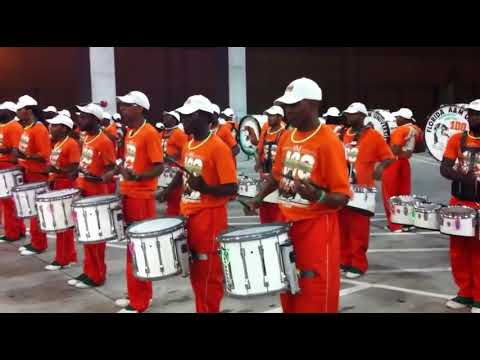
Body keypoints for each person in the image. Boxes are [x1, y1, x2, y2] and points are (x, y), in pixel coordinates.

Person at [249, 78, 352, 313]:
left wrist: (318, 196)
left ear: (313, 104)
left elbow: (342, 196)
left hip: (317, 228)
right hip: (286, 225)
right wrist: (257, 199)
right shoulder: (287, 136)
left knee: (316, 293)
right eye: (286, 105)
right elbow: (276, 176)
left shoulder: (328, 142)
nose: (287, 111)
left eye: (294, 105)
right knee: (290, 290)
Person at [174, 95, 237, 313]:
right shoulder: (189, 143)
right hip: (190, 215)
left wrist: (206, 188)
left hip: (209, 219)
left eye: (188, 116)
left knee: (209, 274)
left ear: (202, 117)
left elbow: (232, 188)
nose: (183, 119)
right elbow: (184, 173)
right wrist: (167, 191)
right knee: (196, 274)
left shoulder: (218, 147)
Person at [109, 91, 164, 313]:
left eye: (127, 106)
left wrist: (138, 177)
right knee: (132, 249)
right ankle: (137, 293)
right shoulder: (131, 132)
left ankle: (140, 301)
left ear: (140, 108)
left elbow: (158, 166)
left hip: (142, 197)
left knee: (139, 249)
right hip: (129, 193)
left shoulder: (149, 133)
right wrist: (121, 173)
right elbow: (131, 162)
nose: (122, 109)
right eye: (122, 105)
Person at [339, 102, 394, 279]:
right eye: (347, 113)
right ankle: (344, 260)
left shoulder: (373, 136)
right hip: (341, 188)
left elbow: (388, 157)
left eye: (353, 114)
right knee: (342, 227)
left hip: (362, 191)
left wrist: (379, 168)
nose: (349, 116)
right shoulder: (341, 134)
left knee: (358, 230)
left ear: (362, 116)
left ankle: (358, 264)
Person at [66, 103, 116, 289]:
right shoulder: (86, 137)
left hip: (95, 193)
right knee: (85, 235)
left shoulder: (104, 141)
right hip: (83, 189)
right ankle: (88, 270)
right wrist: (78, 170)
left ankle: (97, 275)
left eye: (85, 117)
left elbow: (110, 169)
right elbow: (86, 161)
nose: (80, 120)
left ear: (95, 119)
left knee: (95, 237)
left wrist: (97, 177)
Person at [440, 98, 480, 313]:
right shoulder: (457, 139)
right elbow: (444, 168)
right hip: (459, 202)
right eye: (471, 113)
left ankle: (479, 297)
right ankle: (465, 293)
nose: (473, 117)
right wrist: (461, 177)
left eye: (477, 114)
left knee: (478, 252)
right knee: (458, 251)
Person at [13, 95, 51, 256]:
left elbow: (44, 155)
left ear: (28, 110)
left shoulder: (39, 129)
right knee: (32, 210)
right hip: (29, 173)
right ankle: (35, 240)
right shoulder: (27, 128)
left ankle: (39, 244)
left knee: (37, 211)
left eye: (20, 109)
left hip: (38, 175)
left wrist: (24, 155)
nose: (17, 112)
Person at [44, 114, 81, 270]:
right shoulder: (58, 143)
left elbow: (74, 169)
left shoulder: (70, 144)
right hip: (59, 184)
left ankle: (62, 259)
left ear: (64, 128)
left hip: (67, 185)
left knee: (63, 224)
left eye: (54, 125)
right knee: (62, 225)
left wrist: (56, 170)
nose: (50, 127)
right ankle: (69, 257)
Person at [381, 107, 424, 232]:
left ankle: (394, 225)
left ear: (402, 118)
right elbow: (420, 148)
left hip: (393, 163)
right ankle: (407, 223)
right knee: (404, 194)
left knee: (390, 194)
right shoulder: (417, 129)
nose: (395, 119)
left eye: (397, 117)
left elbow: (394, 150)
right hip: (405, 162)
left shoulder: (399, 130)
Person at [255, 105, 287, 223]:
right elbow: (259, 149)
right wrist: (258, 161)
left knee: (277, 207)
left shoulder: (285, 133)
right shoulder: (265, 130)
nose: (269, 118)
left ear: (280, 117)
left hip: (277, 175)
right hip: (264, 173)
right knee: (265, 204)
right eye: (268, 115)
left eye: (272, 115)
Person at [0, 102, 25, 243]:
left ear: (9, 112)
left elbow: (16, 149)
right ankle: (16, 230)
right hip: (3, 167)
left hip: (9, 167)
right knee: (8, 202)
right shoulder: (4, 126)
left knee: (9, 201)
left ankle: (13, 233)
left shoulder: (14, 126)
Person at [156, 110, 188, 216]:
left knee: (176, 196)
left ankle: (178, 218)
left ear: (174, 120)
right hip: (163, 170)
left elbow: (186, 151)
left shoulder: (179, 134)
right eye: (164, 116)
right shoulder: (160, 133)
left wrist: (175, 156)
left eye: (168, 117)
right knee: (167, 196)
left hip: (176, 170)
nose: (164, 118)